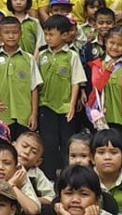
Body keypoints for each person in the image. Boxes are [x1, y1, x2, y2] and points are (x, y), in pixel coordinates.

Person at [34, 15, 85, 175]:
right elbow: (35, 82)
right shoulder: (42, 55)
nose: (47, 38)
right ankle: (48, 179)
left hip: (64, 107)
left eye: (51, 34)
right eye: (46, 34)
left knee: (66, 144)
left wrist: (71, 106)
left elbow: (75, 81)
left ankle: (68, 176)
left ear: (64, 35)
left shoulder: (72, 55)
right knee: (48, 144)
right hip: (46, 105)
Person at [0, 13, 38, 130]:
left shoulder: (29, 58)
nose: (11, 36)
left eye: (15, 32)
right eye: (6, 33)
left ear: (21, 33)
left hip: (24, 114)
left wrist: (34, 114)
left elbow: (34, 88)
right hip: (3, 114)